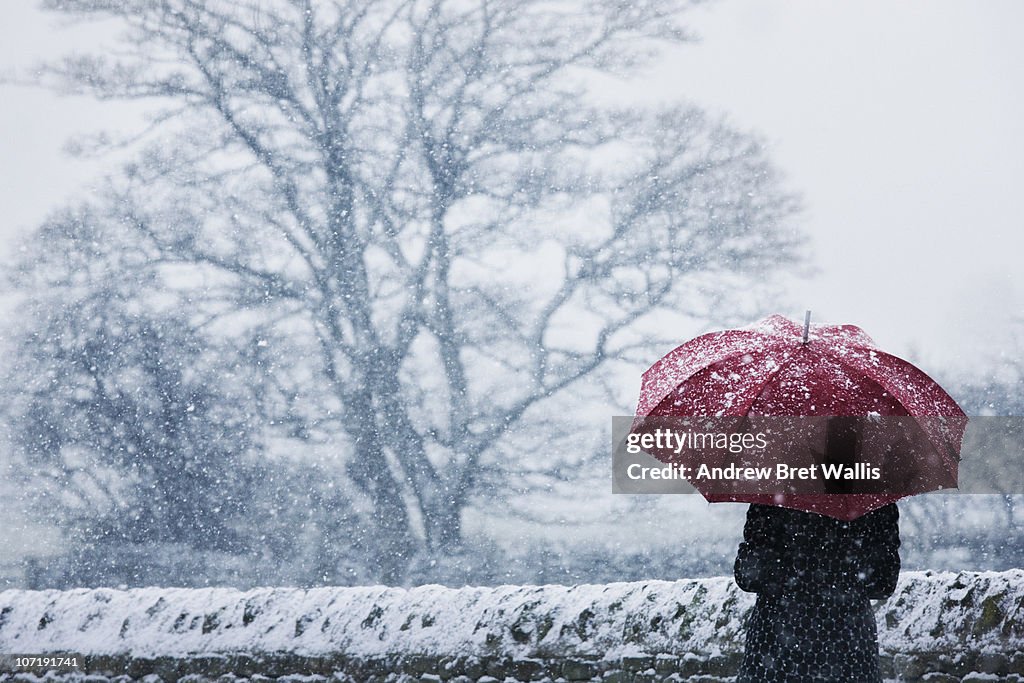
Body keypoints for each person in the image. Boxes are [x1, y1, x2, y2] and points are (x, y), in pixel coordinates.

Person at [733, 417, 901, 682]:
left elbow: (749, 575)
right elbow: (883, 582)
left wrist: (791, 573)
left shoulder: (777, 491)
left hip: (778, 649)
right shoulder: (875, 497)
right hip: (849, 649)